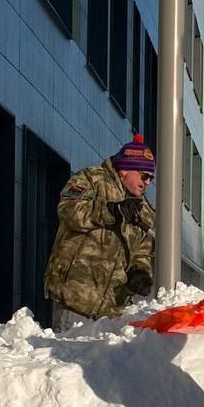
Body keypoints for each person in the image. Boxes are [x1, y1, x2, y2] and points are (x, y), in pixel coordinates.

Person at [44, 134, 156, 331]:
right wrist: (110, 211)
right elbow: (69, 210)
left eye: (151, 178)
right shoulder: (91, 179)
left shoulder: (143, 208)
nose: (147, 182)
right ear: (124, 170)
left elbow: (143, 249)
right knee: (69, 351)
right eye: (144, 176)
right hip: (75, 300)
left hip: (113, 312)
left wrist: (140, 271)